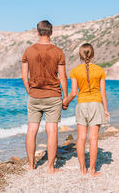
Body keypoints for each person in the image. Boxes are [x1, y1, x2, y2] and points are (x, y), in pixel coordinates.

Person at [21, 20, 68, 174]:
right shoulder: (58, 51)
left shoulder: (29, 51)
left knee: (31, 130)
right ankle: (50, 168)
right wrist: (65, 97)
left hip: (34, 95)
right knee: (52, 131)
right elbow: (62, 77)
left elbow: (24, 76)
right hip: (53, 96)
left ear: (37, 32)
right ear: (51, 33)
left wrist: (29, 90)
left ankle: (31, 166)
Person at [63, 43, 110, 177]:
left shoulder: (75, 71)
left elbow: (72, 93)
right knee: (93, 138)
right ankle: (92, 170)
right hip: (96, 104)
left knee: (81, 138)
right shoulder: (100, 70)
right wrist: (105, 109)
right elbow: (103, 93)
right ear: (93, 54)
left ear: (80, 55)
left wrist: (64, 103)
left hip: (81, 105)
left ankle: (82, 169)